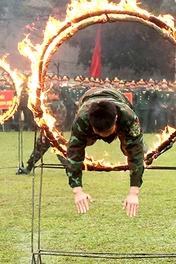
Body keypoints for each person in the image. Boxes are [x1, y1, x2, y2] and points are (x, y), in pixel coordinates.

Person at [65, 87, 147, 217]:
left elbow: (135, 154)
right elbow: (74, 153)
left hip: (119, 98)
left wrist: (133, 192)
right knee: (82, 142)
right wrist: (77, 191)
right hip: (88, 97)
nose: (103, 137)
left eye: (107, 132)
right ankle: (96, 133)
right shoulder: (82, 120)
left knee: (130, 148)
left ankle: (131, 139)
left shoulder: (128, 117)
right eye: (99, 133)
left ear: (115, 119)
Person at [18, 87, 68, 174]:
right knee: (61, 152)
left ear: (56, 95)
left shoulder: (51, 106)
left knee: (38, 150)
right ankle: (70, 169)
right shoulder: (62, 105)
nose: (49, 95)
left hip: (49, 133)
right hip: (57, 133)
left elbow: (47, 121)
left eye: (51, 93)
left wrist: (44, 134)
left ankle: (28, 168)